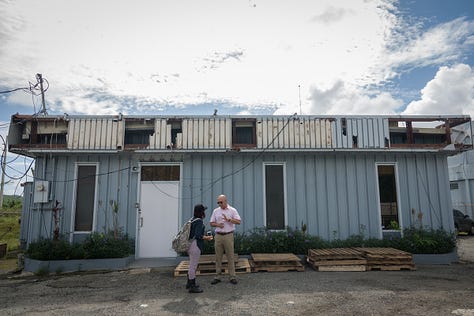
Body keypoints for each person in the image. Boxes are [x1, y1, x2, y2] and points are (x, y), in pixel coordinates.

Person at [210, 194, 241, 285]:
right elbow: (211, 223)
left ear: (226, 201)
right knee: (218, 257)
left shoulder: (232, 210)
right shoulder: (216, 211)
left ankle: (232, 276)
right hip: (218, 235)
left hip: (228, 235)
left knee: (230, 256)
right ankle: (217, 276)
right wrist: (218, 225)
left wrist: (229, 220)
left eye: (221, 202)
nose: (219, 204)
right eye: (218, 202)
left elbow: (239, 221)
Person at [187, 204, 213, 293]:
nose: (204, 212)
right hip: (195, 245)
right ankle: (192, 286)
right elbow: (198, 236)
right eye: (203, 210)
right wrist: (207, 238)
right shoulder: (199, 221)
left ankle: (189, 283)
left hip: (190, 244)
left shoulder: (192, 219)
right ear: (201, 212)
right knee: (193, 266)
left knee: (191, 264)